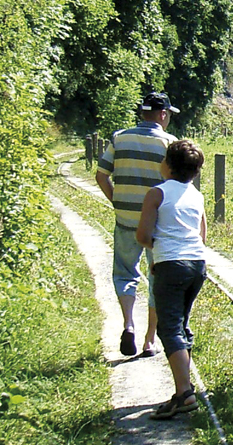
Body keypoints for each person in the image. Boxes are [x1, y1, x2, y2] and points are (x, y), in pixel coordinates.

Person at [96, 92, 179, 357]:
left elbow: (101, 175)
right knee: (157, 277)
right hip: (157, 225)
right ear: (163, 115)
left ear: (143, 113)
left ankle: (128, 324)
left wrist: (117, 201)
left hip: (126, 220)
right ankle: (149, 340)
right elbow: (177, 186)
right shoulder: (170, 143)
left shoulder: (119, 138)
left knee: (124, 273)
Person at [135, 139, 211, 420]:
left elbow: (143, 236)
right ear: (195, 171)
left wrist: (161, 251)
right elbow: (202, 235)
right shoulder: (196, 195)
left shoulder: (156, 193)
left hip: (171, 265)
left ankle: (184, 393)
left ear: (167, 165)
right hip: (197, 265)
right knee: (181, 323)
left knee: (168, 328)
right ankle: (183, 388)